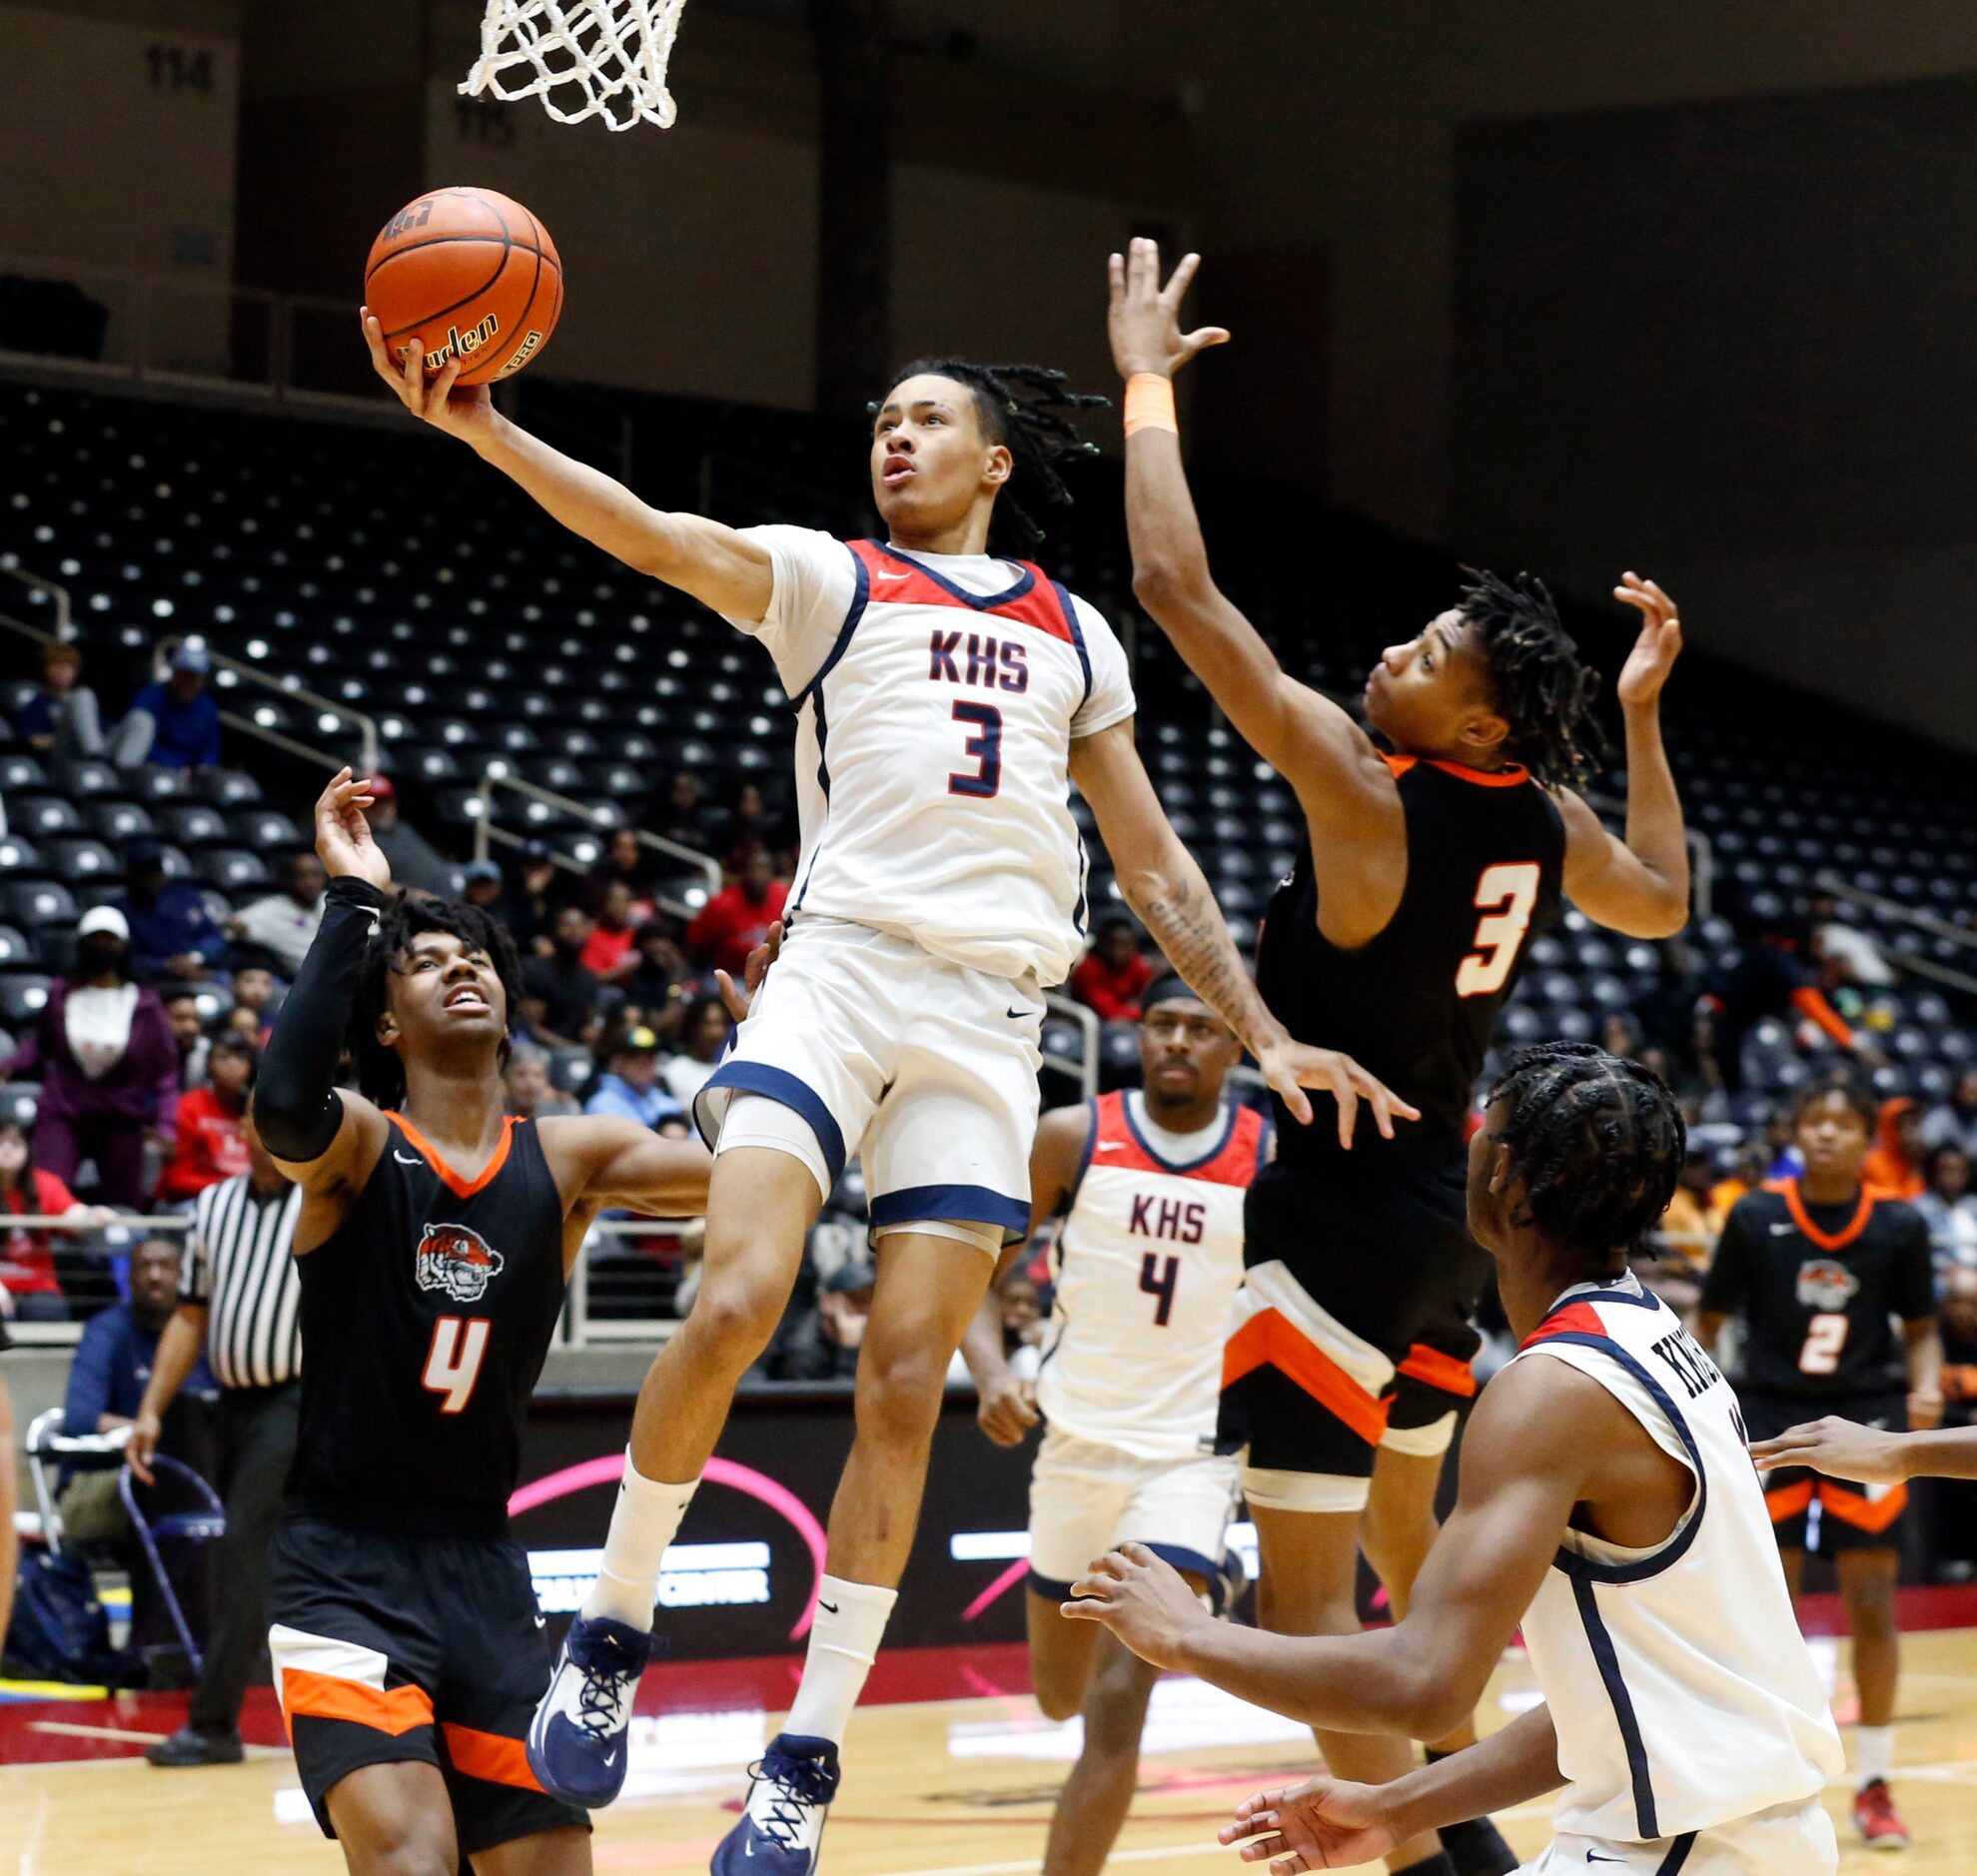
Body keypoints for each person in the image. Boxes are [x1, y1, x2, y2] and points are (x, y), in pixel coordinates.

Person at [362, 311, 1408, 1862]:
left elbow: (1150, 858)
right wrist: (483, 429)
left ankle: (804, 1750)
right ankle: (613, 1627)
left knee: (906, 1375)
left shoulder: (1075, 629)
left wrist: (1259, 1032)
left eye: (925, 421)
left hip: (989, 1019)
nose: (892, 438)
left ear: (992, 461)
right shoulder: (826, 576)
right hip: (838, 972)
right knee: (733, 1296)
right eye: (879, 421)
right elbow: (651, 536)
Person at [1107, 240, 1690, 1876]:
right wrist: (1642, 716)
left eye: (1437, 656)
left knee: (1305, 1600)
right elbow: (1656, 902)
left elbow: (1174, 593)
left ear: (1483, 726)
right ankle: (1486, 1857)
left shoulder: (1371, 799)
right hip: (1454, 1224)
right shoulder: (1538, 814)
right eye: (1422, 628)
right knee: (1397, 1549)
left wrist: (1144, 376)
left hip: (1342, 1213)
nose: (1401, 653)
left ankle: (1422, 1864)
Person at [1070, 1044, 1846, 1876]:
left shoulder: (1550, 1391)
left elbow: (1424, 1682)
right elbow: (1626, 1704)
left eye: (1484, 1128)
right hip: (1742, 1837)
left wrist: (1187, 1637)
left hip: (1680, 1849)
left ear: (1504, 1174)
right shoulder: (1649, 1335)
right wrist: (1394, 1806)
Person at [239, 769, 716, 1870]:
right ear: (388, 1023)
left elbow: (753, 1175)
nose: (463, 969)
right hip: (341, 1563)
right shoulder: (360, 1142)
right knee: (411, 1860)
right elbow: (280, 1107)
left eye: (479, 960)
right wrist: (358, 900)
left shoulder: (573, 1154)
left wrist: (795, 1047)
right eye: (427, 963)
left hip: (485, 1566)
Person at [961, 974, 1263, 1876]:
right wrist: (986, 1375)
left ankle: (1205, 1561)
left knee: (1120, 1695)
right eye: (1161, 1025)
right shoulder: (1072, 1135)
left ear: (1232, 1049)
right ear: (1138, 1036)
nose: (1177, 1041)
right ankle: (1229, 1574)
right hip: (1077, 1446)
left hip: (1191, 1455)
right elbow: (974, 1270)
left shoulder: (1267, 1154)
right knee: (1059, 1696)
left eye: (1199, 1029)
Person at [1696, 1073, 1940, 1850]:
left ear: (1868, 1138)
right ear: (1794, 1134)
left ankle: (1872, 1782)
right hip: (1768, 1417)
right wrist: (1697, 1405)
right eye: (1813, 1121)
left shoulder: (1897, 1225)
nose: (1827, 1133)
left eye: (1842, 1123)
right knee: (1768, 1603)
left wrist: (1927, 1387)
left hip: (1866, 1418)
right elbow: (1708, 1319)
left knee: (1871, 1602)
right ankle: (1769, 1773)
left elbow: (1921, 1326)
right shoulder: (1756, 1214)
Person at [131, 1108, 304, 1766]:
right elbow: (189, 1315)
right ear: (245, 1129)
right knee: (274, 1555)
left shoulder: (326, 1198)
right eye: (261, 1117)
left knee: (241, 1548)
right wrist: (150, 1410)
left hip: (300, 1401)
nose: (271, 1130)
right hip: (231, 1405)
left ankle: (213, 1723)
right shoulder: (213, 1206)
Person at [3, 906, 180, 1208]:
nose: (102, 947)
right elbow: (40, 1044)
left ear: (123, 947)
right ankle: (37, 1255)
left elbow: (165, 1071)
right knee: (45, 1192)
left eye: (109, 940)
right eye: (95, 939)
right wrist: (8, 1068)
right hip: (64, 1110)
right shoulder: (62, 994)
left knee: (124, 1204)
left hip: (120, 1116)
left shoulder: (145, 1005)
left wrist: (166, 1124)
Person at [57, 1236, 206, 1542]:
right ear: (129, 1278)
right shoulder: (105, 1331)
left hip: (191, 1478)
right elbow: (80, 1419)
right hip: (104, 1479)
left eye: (165, 1266)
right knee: (159, 1488)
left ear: (184, 1276)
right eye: (144, 1266)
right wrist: (147, 1432)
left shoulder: (208, 1336)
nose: (154, 1275)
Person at [0, 1117, 116, 1322]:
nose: (7, 1150)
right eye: (0, 1143)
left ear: (28, 1149)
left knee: (48, 1312)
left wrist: (90, 1214)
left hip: (37, 1284)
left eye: (15, 1144)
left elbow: (71, 1212)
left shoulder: (44, 1183)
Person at [157, 1032, 256, 1204]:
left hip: (242, 1200)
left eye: (241, 1057)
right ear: (209, 1063)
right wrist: (225, 1187)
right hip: (191, 1201)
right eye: (223, 1057)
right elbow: (176, 1180)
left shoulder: (254, 1111)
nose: (233, 1064)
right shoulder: (190, 1106)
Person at [117, 837, 229, 984]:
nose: (150, 878)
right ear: (131, 875)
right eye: (142, 873)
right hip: (154, 980)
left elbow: (214, 936)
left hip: (200, 970)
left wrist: (195, 957)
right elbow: (126, 958)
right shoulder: (121, 909)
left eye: (155, 870)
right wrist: (166, 966)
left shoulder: (184, 897)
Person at [683, 843, 788, 981]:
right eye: (752, 868)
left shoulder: (784, 896)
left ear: (771, 872)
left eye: (762, 868)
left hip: (773, 974)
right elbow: (695, 942)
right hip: (731, 974)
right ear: (742, 873)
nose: (757, 874)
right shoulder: (721, 904)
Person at [113, 642, 221, 772]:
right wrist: (176, 766)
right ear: (174, 674)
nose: (187, 683)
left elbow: (210, 747)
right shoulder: (150, 696)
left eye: (193, 677)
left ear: (202, 680)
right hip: (145, 767)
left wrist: (203, 766)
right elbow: (140, 743)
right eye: (184, 675)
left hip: (187, 773)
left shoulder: (206, 706)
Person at [769, 1258, 875, 1383]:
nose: (865, 1308)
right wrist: (850, 1351)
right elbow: (843, 1400)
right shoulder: (802, 1353)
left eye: (871, 1300)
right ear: (827, 1303)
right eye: (857, 1299)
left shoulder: (870, 1337)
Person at [228, 851, 328, 978]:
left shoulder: (336, 901)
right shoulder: (272, 909)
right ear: (290, 879)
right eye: (302, 876)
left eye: (315, 875)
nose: (310, 882)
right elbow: (231, 923)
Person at [522, 905, 603, 1050]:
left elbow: (589, 1024)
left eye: (579, 926)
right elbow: (531, 1028)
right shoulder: (536, 971)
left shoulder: (589, 978)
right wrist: (568, 1047)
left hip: (577, 1052)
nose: (574, 931)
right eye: (567, 925)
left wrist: (592, 1032)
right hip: (541, 1051)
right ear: (554, 932)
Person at [363, 775, 457, 898]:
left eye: (386, 803)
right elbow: (364, 883)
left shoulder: (404, 829)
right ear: (361, 808)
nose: (382, 809)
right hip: (397, 911)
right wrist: (412, 896)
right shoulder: (358, 841)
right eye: (374, 804)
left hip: (438, 902)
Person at [17, 638, 105, 765]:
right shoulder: (37, 705)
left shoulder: (85, 703)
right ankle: (94, 757)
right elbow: (34, 741)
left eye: (68, 667)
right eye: (57, 666)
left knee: (140, 720)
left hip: (95, 753)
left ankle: (124, 774)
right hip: (62, 760)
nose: (62, 672)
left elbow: (102, 733)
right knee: (83, 694)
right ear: (45, 669)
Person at [583, 1027, 686, 1131]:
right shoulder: (603, 1103)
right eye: (633, 1055)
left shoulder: (667, 1102)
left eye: (649, 1055)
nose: (642, 1062)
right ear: (617, 1062)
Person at [1067, 916, 1155, 1023]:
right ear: (1101, 944)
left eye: (1125, 945)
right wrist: (1144, 1013)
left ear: (1133, 946)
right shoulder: (1088, 968)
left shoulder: (1136, 963)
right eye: (1113, 944)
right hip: (1091, 1024)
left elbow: (1152, 1000)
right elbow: (1110, 1013)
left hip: (1126, 1020)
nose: (1118, 951)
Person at [657, 994, 732, 1108]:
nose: (716, 1032)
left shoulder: (728, 1071)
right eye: (709, 1024)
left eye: (721, 1023)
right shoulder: (675, 1069)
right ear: (694, 1027)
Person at [1917, 1144, 1977, 1277]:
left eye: (1959, 1170)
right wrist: (1945, 1266)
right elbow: (1918, 1254)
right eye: (1948, 1170)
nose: (1954, 1176)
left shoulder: (1973, 1205)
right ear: (1934, 1173)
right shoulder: (1920, 1209)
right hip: (1943, 1276)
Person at [502, 841, 565, 957]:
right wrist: (529, 897)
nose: (536, 872)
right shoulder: (508, 896)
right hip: (519, 959)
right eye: (531, 866)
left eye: (540, 866)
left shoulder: (557, 897)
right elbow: (507, 935)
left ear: (551, 870)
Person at [1862, 1095, 1926, 1201]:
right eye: (1904, 1125)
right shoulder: (1874, 1162)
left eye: (1914, 1124)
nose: (1911, 1131)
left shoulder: (1917, 1157)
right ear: (1888, 1128)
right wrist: (1916, 1171)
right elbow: (1898, 1203)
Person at [579, 880, 642, 985]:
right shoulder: (589, 931)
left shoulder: (637, 936)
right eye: (614, 900)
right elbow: (589, 980)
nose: (620, 907)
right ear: (604, 903)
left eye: (626, 901)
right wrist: (620, 970)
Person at [504, 1043, 578, 1121]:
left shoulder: (563, 1112)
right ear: (506, 1079)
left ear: (547, 1080)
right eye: (521, 1075)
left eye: (537, 1075)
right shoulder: (493, 1114)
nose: (530, 1083)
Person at [1920, 1067, 1977, 1160]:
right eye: (1970, 1092)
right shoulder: (1940, 1117)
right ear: (1958, 1091)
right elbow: (1927, 1144)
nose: (1973, 1099)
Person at [164, 990, 212, 1091]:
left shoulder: (208, 1052)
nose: (190, 1027)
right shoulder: (146, 1053)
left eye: (196, 1019)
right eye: (180, 1018)